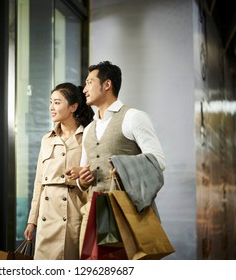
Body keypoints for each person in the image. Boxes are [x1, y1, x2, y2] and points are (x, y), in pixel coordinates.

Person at [66, 61, 166, 257]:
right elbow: (84, 173)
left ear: (107, 84)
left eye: (89, 82)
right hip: (94, 212)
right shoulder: (88, 130)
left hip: (127, 211)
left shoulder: (133, 117)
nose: (84, 89)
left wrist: (123, 167)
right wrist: (81, 180)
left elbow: (158, 161)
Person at [24, 82, 94, 260]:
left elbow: (95, 175)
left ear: (73, 107)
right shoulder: (46, 139)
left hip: (73, 212)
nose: (51, 108)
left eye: (56, 102)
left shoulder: (87, 137)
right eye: (50, 102)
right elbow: (39, 182)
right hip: (47, 216)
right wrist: (32, 220)